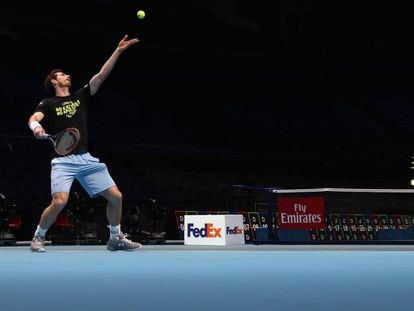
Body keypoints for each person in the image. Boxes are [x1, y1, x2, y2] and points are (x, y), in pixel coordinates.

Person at [27, 34, 141, 252]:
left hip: (86, 158)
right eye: (62, 75)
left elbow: (100, 76)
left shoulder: (80, 97)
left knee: (116, 197)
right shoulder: (48, 103)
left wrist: (118, 51)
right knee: (59, 201)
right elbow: (34, 118)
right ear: (54, 81)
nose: (67, 76)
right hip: (63, 160)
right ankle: (38, 237)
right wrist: (37, 128)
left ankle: (115, 238)